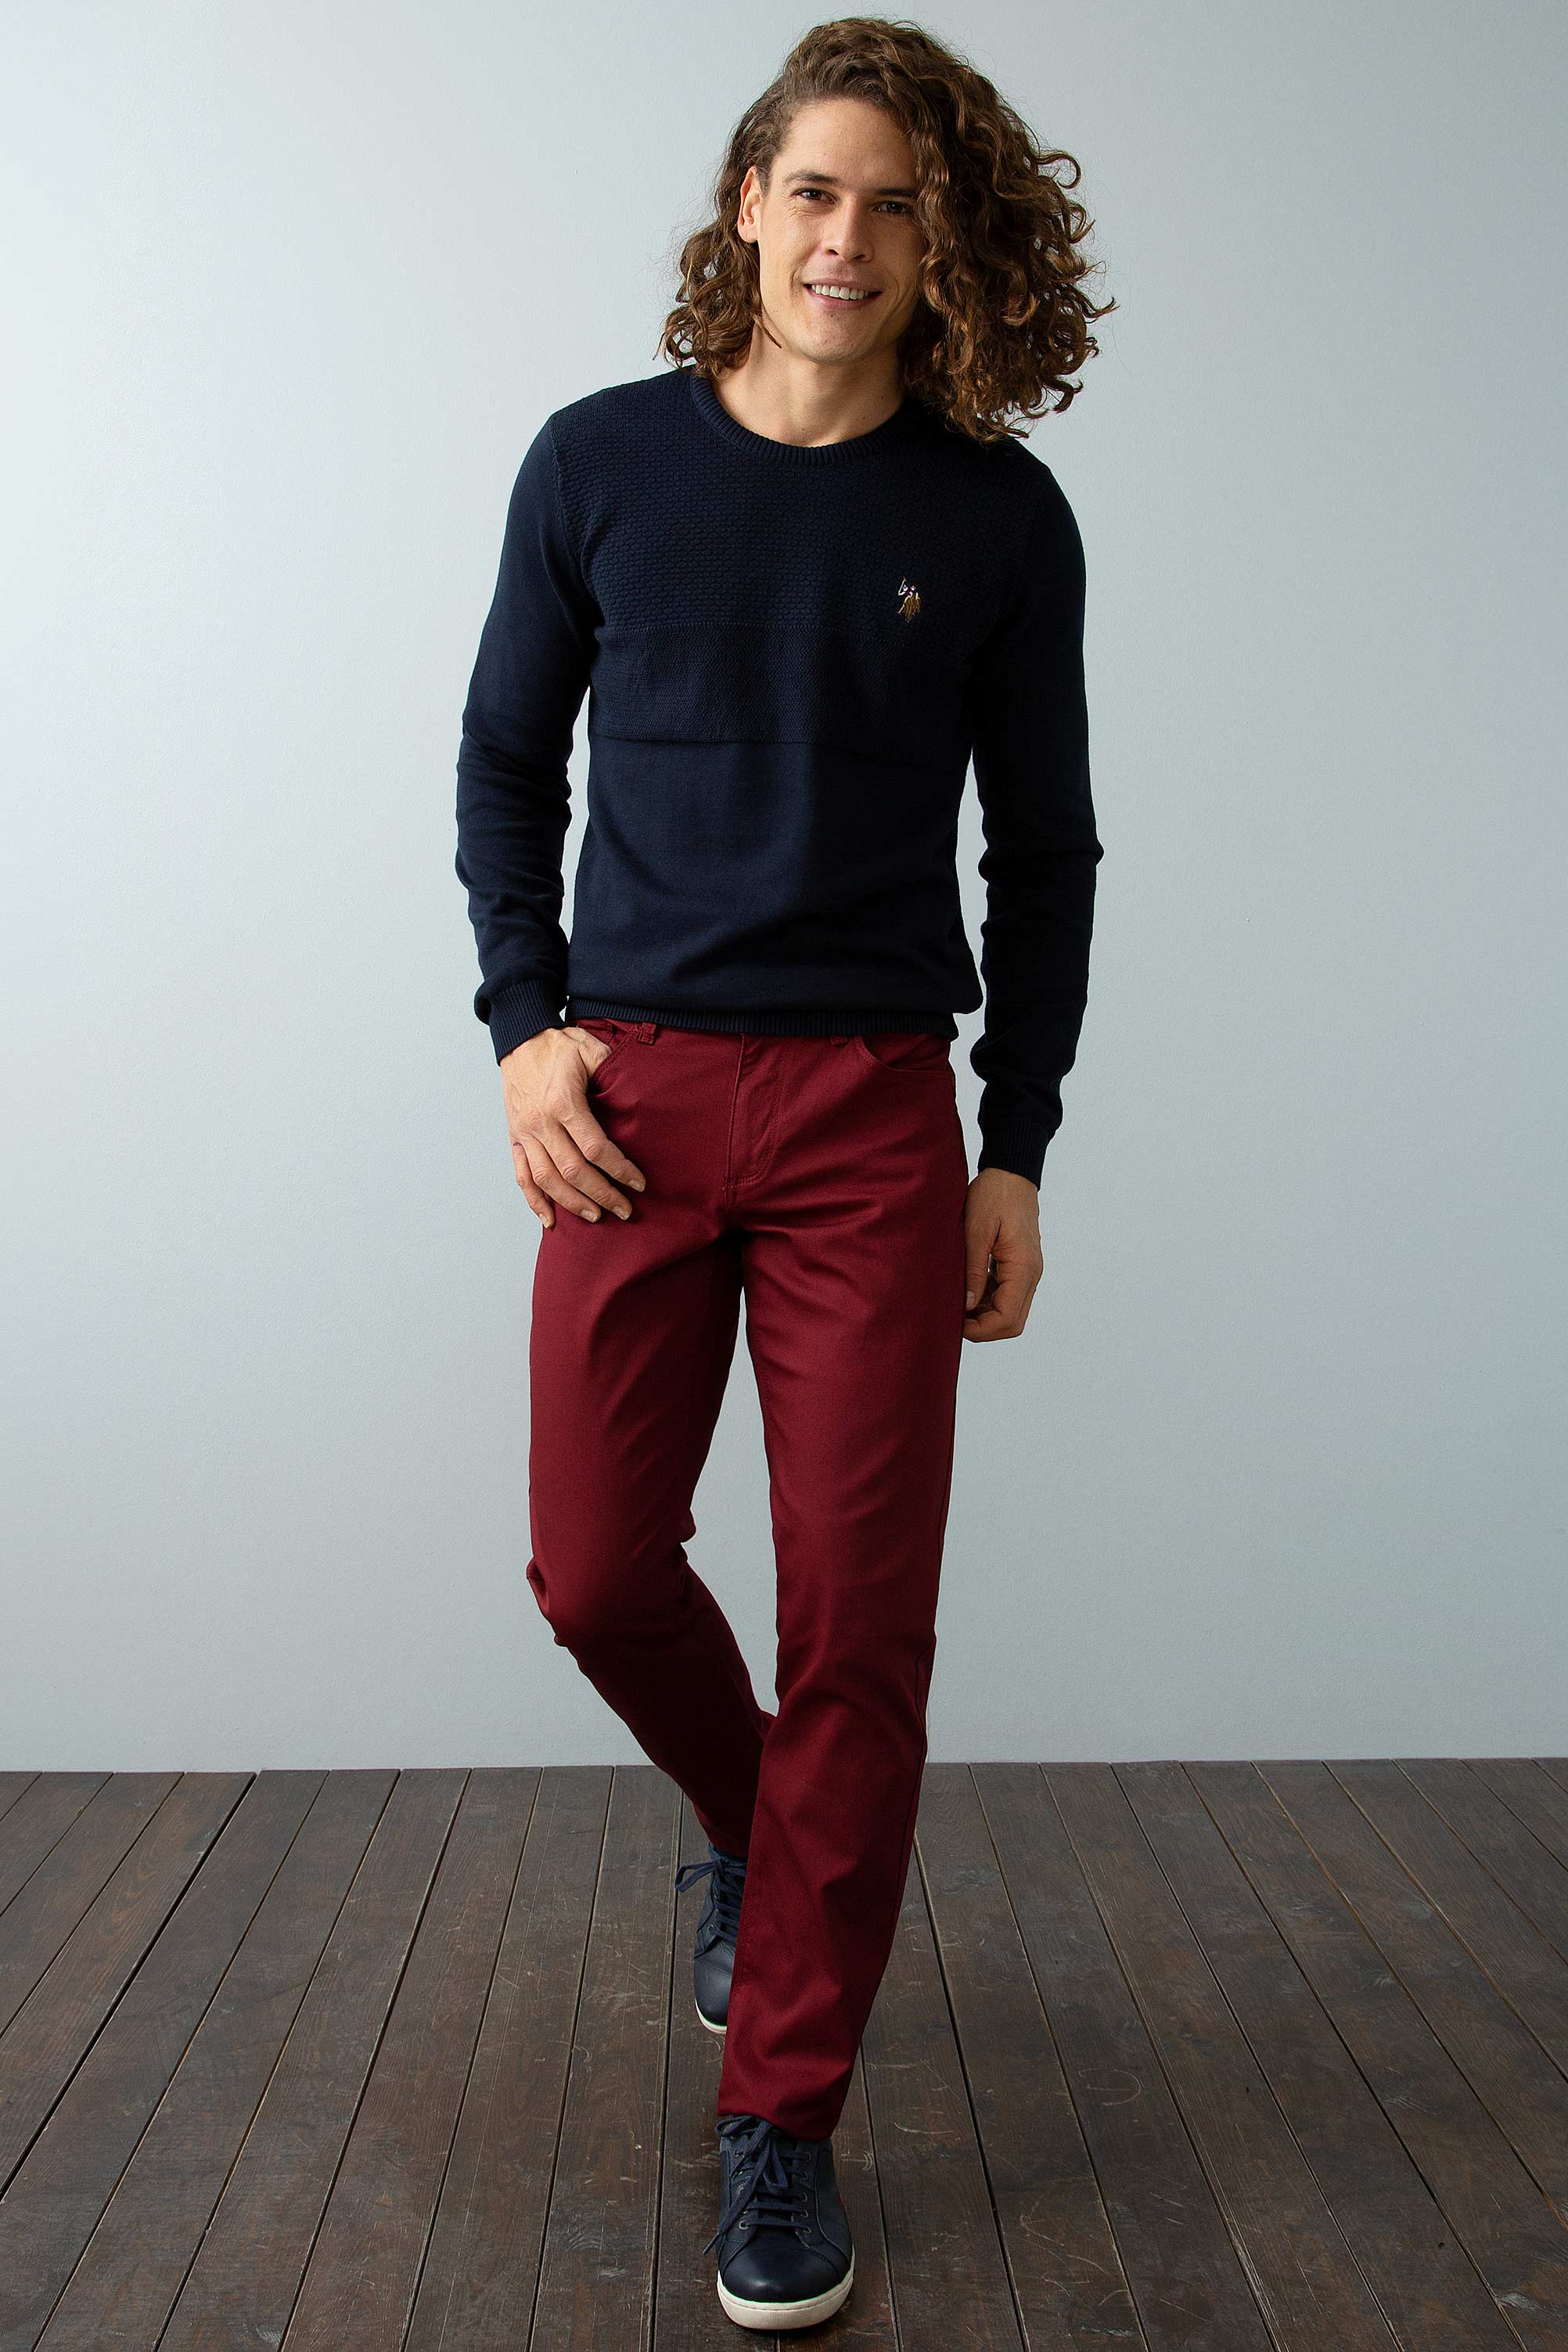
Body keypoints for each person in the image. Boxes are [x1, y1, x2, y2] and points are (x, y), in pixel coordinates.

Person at [454, 15, 1109, 2331]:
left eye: (894, 205)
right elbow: (502, 764)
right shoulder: (597, 462)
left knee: (858, 1626)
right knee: (591, 1568)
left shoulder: (994, 513)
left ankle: (783, 2120)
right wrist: (523, 1030)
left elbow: (1046, 850)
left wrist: (1016, 1142)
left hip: (869, 1119)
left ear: (945, 244)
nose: (848, 238)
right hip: (627, 1104)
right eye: (814, 190)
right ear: (746, 206)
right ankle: (759, 1830)